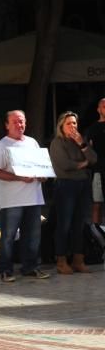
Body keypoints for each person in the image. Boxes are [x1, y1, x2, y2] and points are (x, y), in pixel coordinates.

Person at [0, 111, 51, 281]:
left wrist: (43, 175)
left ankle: (31, 267)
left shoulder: (32, 142)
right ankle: (5, 270)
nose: (19, 125)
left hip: (34, 197)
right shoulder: (2, 145)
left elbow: (42, 167)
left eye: (22, 121)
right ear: (7, 125)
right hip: (12, 200)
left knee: (33, 236)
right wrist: (19, 178)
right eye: (15, 122)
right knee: (8, 236)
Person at [49, 111, 97, 274]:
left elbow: (94, 159)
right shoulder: (57, 143)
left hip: (82, 184)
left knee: (80, 223)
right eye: (69, 123)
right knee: (64, 224)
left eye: (74, 123)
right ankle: (61, 260)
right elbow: (65, 165)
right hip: (65, 186)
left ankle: (78, 259)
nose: (72, 126)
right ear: (61, 126)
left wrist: (82, 144)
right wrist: (84, 163)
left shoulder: (79, 140)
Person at [81, 98, 105, 224]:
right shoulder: (92, 129)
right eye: (104, 106)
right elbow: (87, 149)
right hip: (98, 171)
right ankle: (96, 234)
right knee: (97, 203)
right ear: (98, 109)